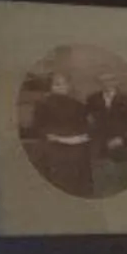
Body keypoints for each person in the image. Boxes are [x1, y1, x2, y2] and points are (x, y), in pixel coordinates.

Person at [21, 70, 95, 198]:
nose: (61, 87)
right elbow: (38, 127)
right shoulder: (43, 104)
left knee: (81, 181)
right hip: (54, 148)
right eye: (57, 84)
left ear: (69, 86)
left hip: (77, 147)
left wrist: (82, 136)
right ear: (51, 87)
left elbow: (85, 127)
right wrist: (58, 138)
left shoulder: (78, 105)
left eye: (64, 84)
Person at [82, 68, 127, 198]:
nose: (107, 83)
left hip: (123, 139)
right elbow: (88, 120)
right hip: (101, 140)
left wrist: (122, 138)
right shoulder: (93, 99)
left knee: (125, 169)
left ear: (117, 81)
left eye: (110, 80)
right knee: (98, 168)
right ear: (98, 82)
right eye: (103, 80)